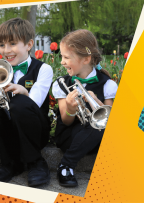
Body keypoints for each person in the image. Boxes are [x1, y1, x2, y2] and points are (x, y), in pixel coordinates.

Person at [0, 18, 53, 187]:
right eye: (2, 45)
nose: (6, 50)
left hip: (35, 132)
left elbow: (35, 103)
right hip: (9, 132)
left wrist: (24, 91)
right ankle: (10, 163)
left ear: (29, 44)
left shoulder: (43, 69)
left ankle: (35, 162)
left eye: (12, 44)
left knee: (20, 103)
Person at [52, 29, 118, 187]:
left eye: (66, 57)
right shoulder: (61, 83)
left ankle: (65, 165)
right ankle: (66, 166)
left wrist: (97, 102)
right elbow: (66, 121)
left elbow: (110, 120)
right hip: (69, 136)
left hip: (95, 140)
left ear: (86, 59)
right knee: (96, 125)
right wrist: (70, 108)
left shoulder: (108, 84)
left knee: (100, 123)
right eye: (62, 56)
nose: (62, 62)